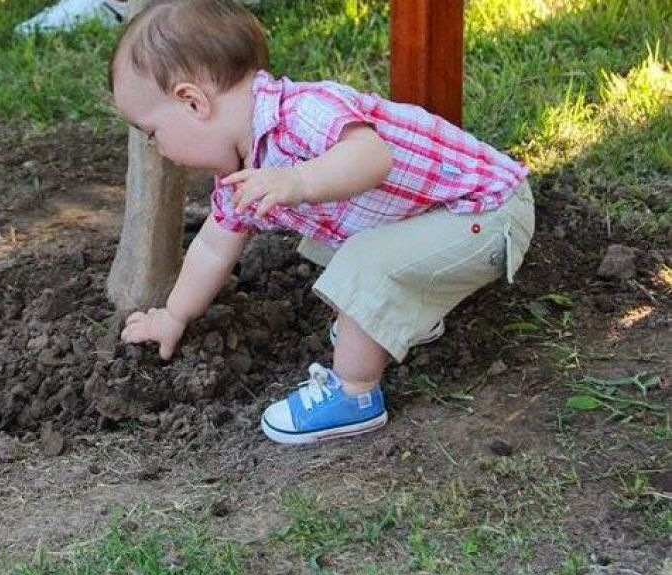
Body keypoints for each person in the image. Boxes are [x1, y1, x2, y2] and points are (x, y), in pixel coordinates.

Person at [110, 0, 535, 444]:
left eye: (153, 133)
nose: (160, 150)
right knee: (336, 248)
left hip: (487, 212)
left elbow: (372, 157)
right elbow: (214, 247)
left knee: (362, 261)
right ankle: (403, 314)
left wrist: (298, 179)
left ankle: (354, 394)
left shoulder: (302, 112)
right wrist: (173, 316)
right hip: (439, 222)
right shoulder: (241, 173)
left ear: (193, 102)